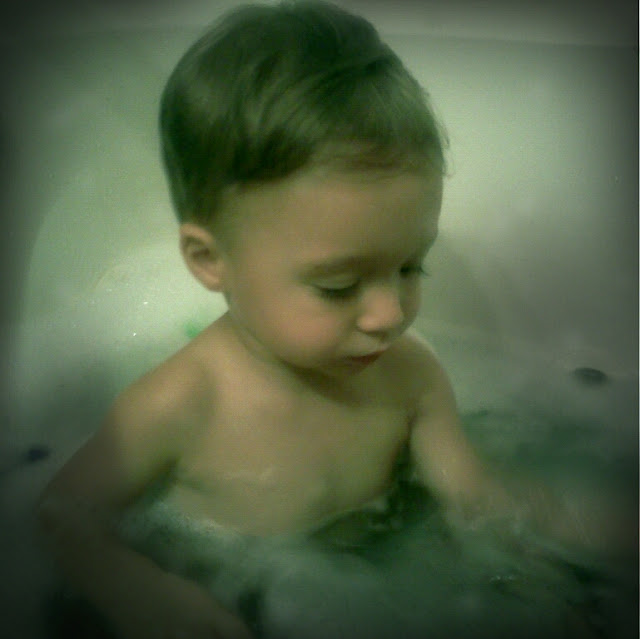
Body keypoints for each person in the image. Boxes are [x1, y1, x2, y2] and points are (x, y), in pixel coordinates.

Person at [37, 2, 636, 639]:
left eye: (411, 267)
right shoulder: (181, 404)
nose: (390, 314)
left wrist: (598, 531)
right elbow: (63, 515)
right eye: (338, 287)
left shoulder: (410, 375)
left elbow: (480, 501)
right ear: (211, 261)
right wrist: (138, 591)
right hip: (222, 589)